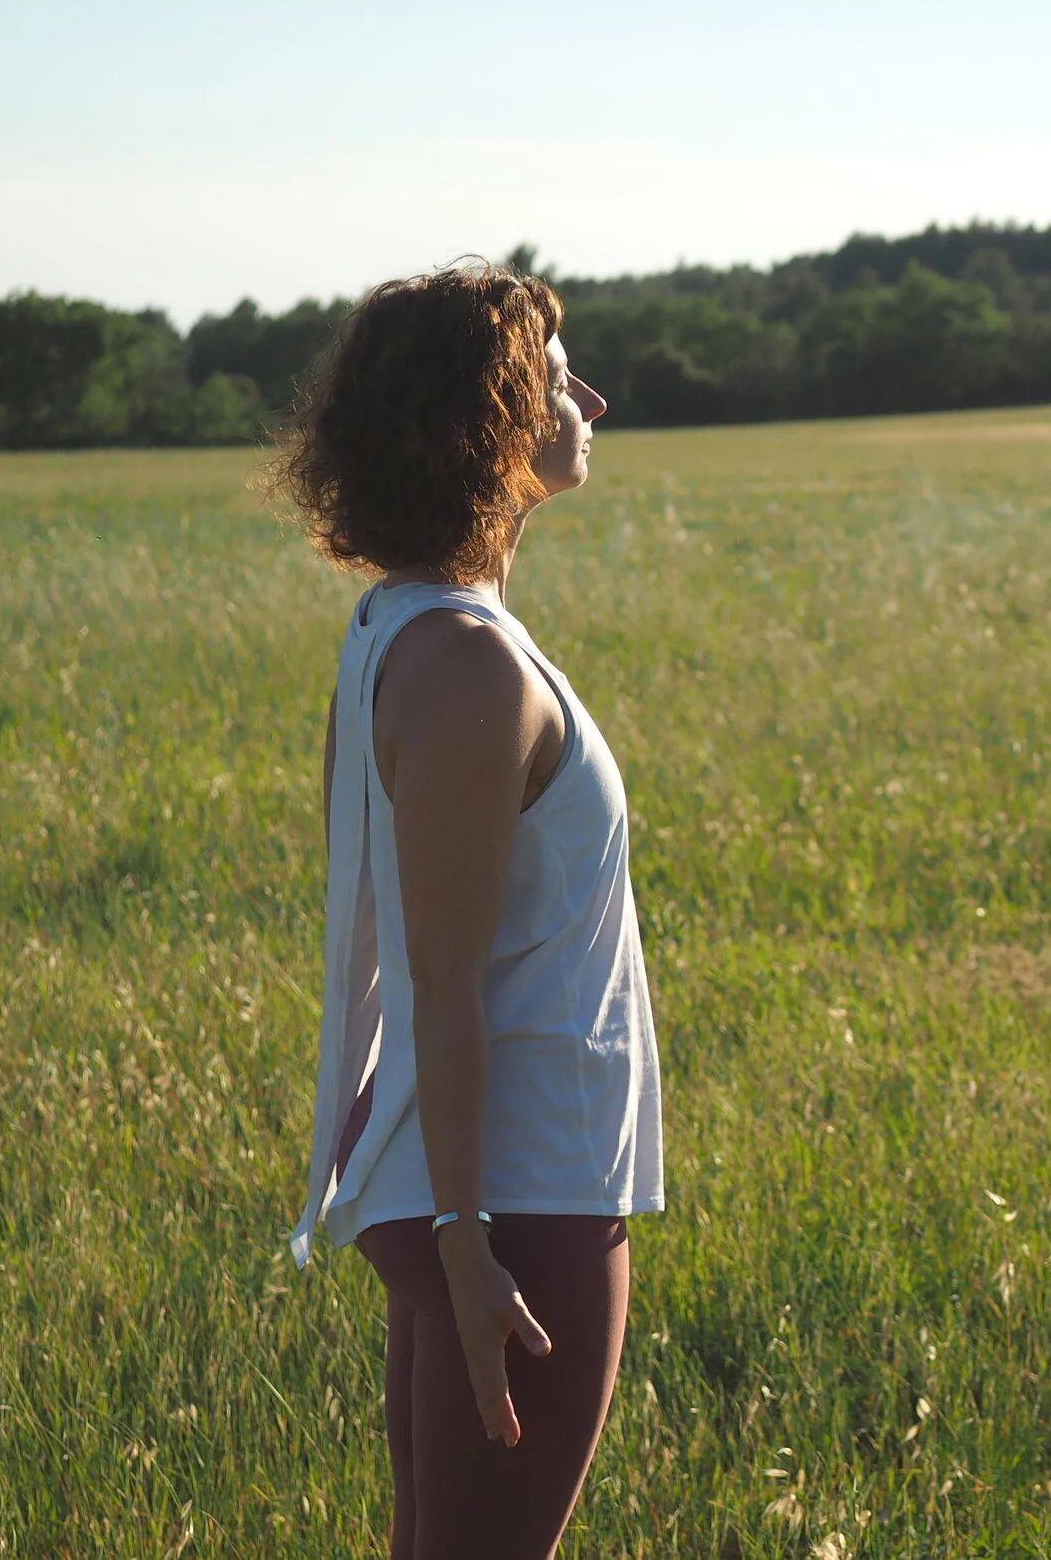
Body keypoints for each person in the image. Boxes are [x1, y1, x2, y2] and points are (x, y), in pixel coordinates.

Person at [276, 260, 662, 1560]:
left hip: (490, 1188)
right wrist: (464, 1242)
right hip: (514, 1198)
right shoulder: (463, 660)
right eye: (556, 381)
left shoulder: (411, 626)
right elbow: (436, 977)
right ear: (489, 420)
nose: (589, 400)